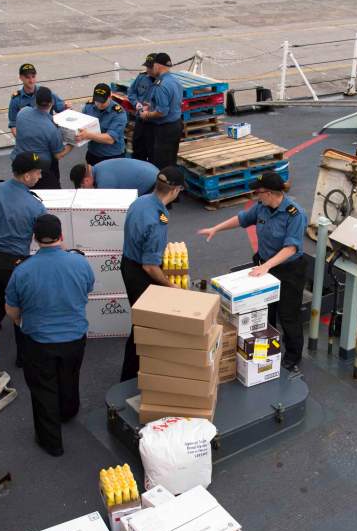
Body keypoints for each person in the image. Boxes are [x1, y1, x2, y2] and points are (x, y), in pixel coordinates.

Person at [198, 172, 309, 372]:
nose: (255, 195)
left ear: (270, 193)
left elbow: (291, 248)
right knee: (265, 312)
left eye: (258, 192)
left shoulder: (295, 214)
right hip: (264, 266)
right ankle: (266, 350)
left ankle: (293, 356)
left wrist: (267, 266)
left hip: (288, 270)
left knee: (288, 314)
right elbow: (241, 219)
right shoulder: (261, 207)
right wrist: (216, 228)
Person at [5, 214, 94, 457]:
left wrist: (20, 322)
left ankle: (51, 441)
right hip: (75, 337)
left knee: (43, 388)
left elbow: (12, 309)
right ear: (61, 236)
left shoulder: (22, 271)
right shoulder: (80, 264)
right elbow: (87, 289)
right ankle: (68, 410)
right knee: (69, 376)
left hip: (39, 341)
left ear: (34, 238)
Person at [0, 152, 47, 364]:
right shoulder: (34, 205)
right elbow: (44, 238)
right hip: (14, 262)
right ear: (26, 176)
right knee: (21, 308)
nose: (40, 176)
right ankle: (24, 357)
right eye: (37, 172)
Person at [119, 166, 185, 381]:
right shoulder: (158, 220)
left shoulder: (141, 201)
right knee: (145, 326)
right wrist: (169, 285)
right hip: (141, 274)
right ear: (175, 190)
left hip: (128, 264)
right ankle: (130, 377)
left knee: (141, 321)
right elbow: (150, 266)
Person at [11, 86, 70, 190]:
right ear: (51, 103)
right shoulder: (51, 129)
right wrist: (72, 144)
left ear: (35, 101)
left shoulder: (22, 113)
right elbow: (58, 155)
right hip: (40, 172)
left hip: (20, 165)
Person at [136, 53, 184, 170]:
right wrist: (151, 106)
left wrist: (147, 114)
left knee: (160, 164)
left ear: (157, 66)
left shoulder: (160, 85)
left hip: (164, 129)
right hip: (176, 125)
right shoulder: (175, 81)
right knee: (171, 160)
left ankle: (164, 186)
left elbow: (162, 112)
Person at [7, 62, 66, 134]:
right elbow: (13, 125)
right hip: (28, 136)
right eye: (27, 77)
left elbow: (62, 109)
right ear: (21, 78)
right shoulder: (16, 99)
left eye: (33, 76)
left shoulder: (44, 93)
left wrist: (66, 107)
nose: (31, 81)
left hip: (47, 134)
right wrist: (23, 141)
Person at [78, 83, 127, 165]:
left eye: (102, 102)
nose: (99, 104)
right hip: (93, 154)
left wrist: (88, 135)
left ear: (110, 97)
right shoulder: (88, 107)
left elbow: (110, 139)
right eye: (97, 101)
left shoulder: (118, 113)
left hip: (112, 156)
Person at [69, 157, 157, 195]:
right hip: (152, 169)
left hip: (152, 183)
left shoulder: (105, 183)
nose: (85, 190)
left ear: (86, 181)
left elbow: (109, 208)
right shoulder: (98, 167)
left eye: (83, 187)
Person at [127, 54, 157, 162]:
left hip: (155, 124)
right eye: (147, 67)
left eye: (150, 67)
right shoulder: (142, 77)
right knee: (138, 149)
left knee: (154, 153)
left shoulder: (164, 83)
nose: (147, 70)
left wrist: (150, 110)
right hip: (140, 120)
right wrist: (136, 103)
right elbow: (131, 92)